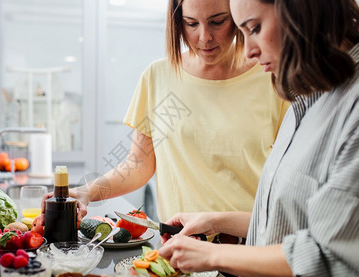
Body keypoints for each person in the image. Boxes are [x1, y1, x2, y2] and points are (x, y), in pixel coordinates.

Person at [158, 0, 359, 277]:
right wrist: (216, 220)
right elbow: (291, 221)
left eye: (254, 28)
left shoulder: (352, 109)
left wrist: (209, 255)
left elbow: (334, 259)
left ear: (301, 11)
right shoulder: (306, 98)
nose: (249, 50)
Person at [40, 0, 287, 232]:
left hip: (252, 243)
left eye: (217, 21)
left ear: (236, 16)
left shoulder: (271, 76)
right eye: (191, 23)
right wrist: (86, 192)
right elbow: (138, 165)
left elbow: (287, 178)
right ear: (177, 21)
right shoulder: (159, 76)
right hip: (180, 245)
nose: (204, 37)